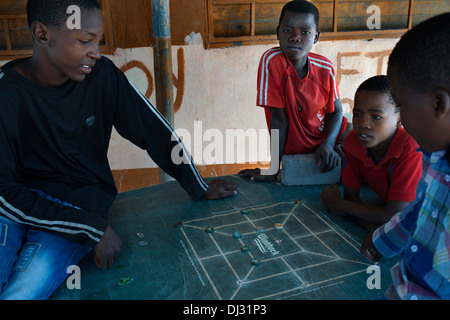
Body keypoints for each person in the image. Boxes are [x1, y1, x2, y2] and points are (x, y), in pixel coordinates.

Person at [0, 0, 237, 300]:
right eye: (85, 41)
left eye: (97, 41)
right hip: (15, 206)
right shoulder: (6, 94)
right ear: (42, 34)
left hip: (77, 204)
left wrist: (197, 185)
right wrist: (91, 229)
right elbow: (3, 193)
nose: (96, 52)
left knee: (20, 294)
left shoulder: (102, 76)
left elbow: (154, 130)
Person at [360, 13, 450, 300]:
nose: (401, 120)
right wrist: (382, 241)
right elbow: (420, 208)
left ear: (439, 103)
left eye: (400, 104)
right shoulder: (435, 157)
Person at [239, 0, 349, 182]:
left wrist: (329, 144)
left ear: (316, 37)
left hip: (332, 141)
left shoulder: (325, 67)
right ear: (277, 33)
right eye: (287, 30)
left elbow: (336, 111)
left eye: (305, 32)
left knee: (366, 154)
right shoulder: (272, 61)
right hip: (301, 153)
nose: (295, 37)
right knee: (291, 177)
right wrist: (273, 168)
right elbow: (278, 119)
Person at [321, 75, 422, 233]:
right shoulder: (353, 141)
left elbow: (394, 217)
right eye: (357, 114)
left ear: (399, 118)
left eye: (376, 117)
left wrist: (338, 204)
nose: (363, 124)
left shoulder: (410, 150)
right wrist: (353, 211)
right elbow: (352, 200)